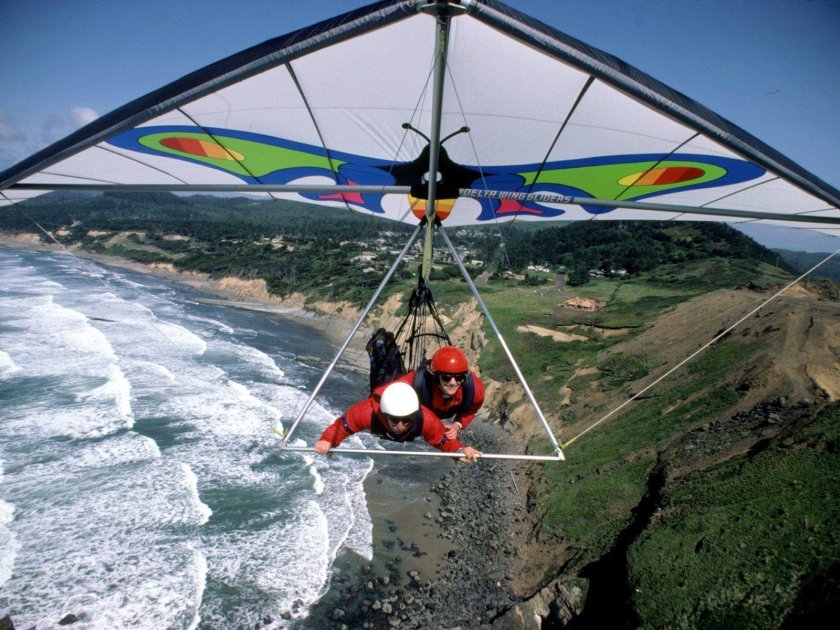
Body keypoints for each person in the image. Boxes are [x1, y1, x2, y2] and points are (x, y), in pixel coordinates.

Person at [315, 381, 481, 462]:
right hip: (380, 425)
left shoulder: (425, 419)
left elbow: (443, 440)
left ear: (413, 415)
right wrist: (327, 440)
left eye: (406, 421)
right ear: (385, 414)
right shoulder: (367, 412)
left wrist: (459, 450)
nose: (400, 427)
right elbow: (342, 426)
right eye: (394, 421)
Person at [384, 345, 485, 441]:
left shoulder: (475, 390)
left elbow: (471, 410)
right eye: (447, 377)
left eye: (459, 377)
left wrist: (457, 425)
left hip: (444, 411)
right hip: (424, 410)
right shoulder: (416, 382)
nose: (453, 383)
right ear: (436, 377)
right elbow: (387, 393)